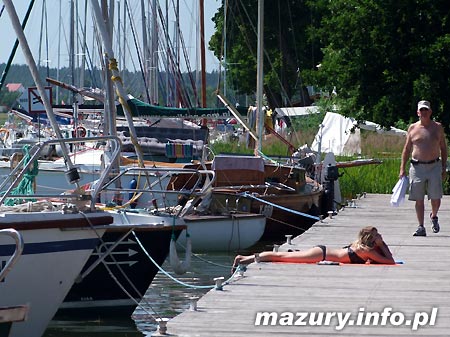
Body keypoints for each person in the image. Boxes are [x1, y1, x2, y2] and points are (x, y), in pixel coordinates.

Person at [232, 226, 395, 271]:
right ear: (371, 239)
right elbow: (390, 261)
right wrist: (382, 245)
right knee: (280, 257)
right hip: (321, 255)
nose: (379, 236)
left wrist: (380, 245)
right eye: (377, 235)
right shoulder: (366, 250)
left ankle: (245, 259)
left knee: (281, 256)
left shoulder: (361, 246)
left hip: (322, 252)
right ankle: (243, 259)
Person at [399, 100, 447, 237]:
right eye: (422, 110)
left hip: (434, 166)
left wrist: (444, 167)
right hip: (417, 166)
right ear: (418, 112)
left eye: (426, 110)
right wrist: (402, 168)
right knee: (418, 198)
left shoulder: (437, 127)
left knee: (436, 197)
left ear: (430, 112)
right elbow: (407, 149)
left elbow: (443, 148)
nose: (424, 112)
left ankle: (434, 216)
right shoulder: (412, 128)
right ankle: (420, 226)